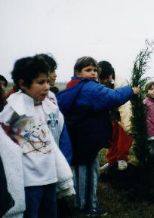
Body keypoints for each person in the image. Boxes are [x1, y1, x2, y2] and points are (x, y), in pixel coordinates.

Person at [57, 56, 139, 216]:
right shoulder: (88, 87)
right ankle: (90, 207)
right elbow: (113, 97)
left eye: (95, 70)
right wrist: (131, 90)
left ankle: (79, 203)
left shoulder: (72, 86)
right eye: (88, 70)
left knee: (80, 172)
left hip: (78, 137)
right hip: (89, 140)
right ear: (77, 72)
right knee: (90, 173)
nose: (93, 73)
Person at [0, 55, 74, 218]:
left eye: (48, 81)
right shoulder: (15, 111)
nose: (47, 87)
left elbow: (46, 142)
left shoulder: (45, 105)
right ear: (22, 84)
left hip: (49, 178)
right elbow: (13, 151)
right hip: (30, 182)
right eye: (40, 82)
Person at [98, 60, 133, 171]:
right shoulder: (100, 83)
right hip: (112, 112)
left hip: (125, 110)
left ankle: (122, 158)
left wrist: (127, 126)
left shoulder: (121, 83)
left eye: (104, 79)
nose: (102, 81)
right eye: (100, 79)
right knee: (112, 136)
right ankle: (112, 160)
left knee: (123, 135)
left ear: (110, 75)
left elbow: (125, 106)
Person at [143, 81, 154, 170]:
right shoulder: (145, 102)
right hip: (149, 133)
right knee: (151, 152)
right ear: (146, 91)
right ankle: (150, 167)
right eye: (151, 89)